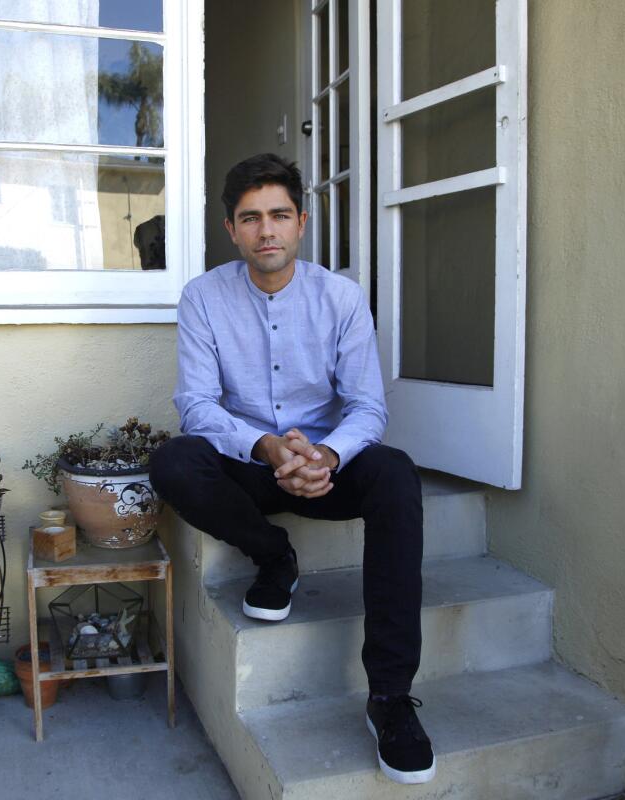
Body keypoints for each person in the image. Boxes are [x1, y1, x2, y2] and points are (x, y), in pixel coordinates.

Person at [149, 153, 434, 785]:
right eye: (251, 219)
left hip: (324, 470)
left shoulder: (340, 297)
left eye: (279, 215)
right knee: (172, 461)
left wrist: (326, 455)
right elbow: (195, 403)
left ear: (302, 222)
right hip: (251, 467)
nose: (266, 231)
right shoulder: (202, 298)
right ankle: (274, 554)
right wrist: (267, 447)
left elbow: (366, 406)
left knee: (395, 475)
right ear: (232, 229)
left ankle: (389, 695)